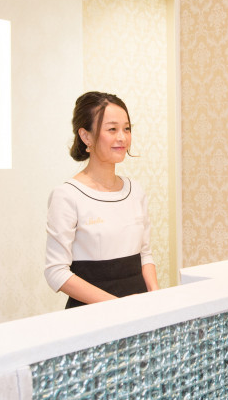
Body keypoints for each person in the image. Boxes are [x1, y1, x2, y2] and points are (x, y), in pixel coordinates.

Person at [44, 91, 159, 307]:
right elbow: (56, 272)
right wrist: (117, 306)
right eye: (112, 129)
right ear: (86, 136)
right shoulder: (67, 195)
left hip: (139, 311)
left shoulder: (135, 191)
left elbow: (145, 254)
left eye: (127, 129)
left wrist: (155, 297)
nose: (122, 137)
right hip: (91, 314)